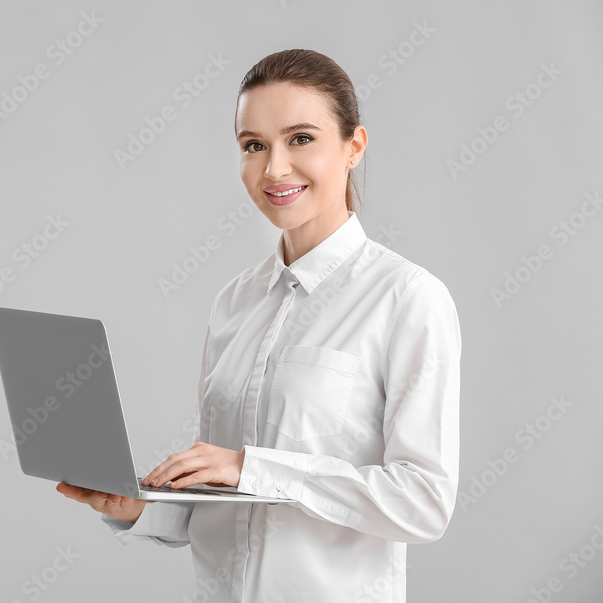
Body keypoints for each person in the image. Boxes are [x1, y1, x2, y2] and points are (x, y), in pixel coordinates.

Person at [57, 48, 461, 602]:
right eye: (254, 146)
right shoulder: (234, 302)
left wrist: (253, 467)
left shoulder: (407, 298)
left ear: (353, 147)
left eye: (300, 139)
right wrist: (140, 509)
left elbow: (424, 503)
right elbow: (226, 499)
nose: (274, 169)